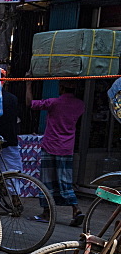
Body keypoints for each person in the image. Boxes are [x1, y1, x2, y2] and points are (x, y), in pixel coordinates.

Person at [27, 78, 85, 226]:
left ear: (62, 89)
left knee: (47, 181)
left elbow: (30, 104)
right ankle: (75, 209)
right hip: (66, 148)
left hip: (51, 145)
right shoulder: (80, 105)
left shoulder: (54, 103)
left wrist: (28, 84)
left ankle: (47, 212)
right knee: (65, 181)